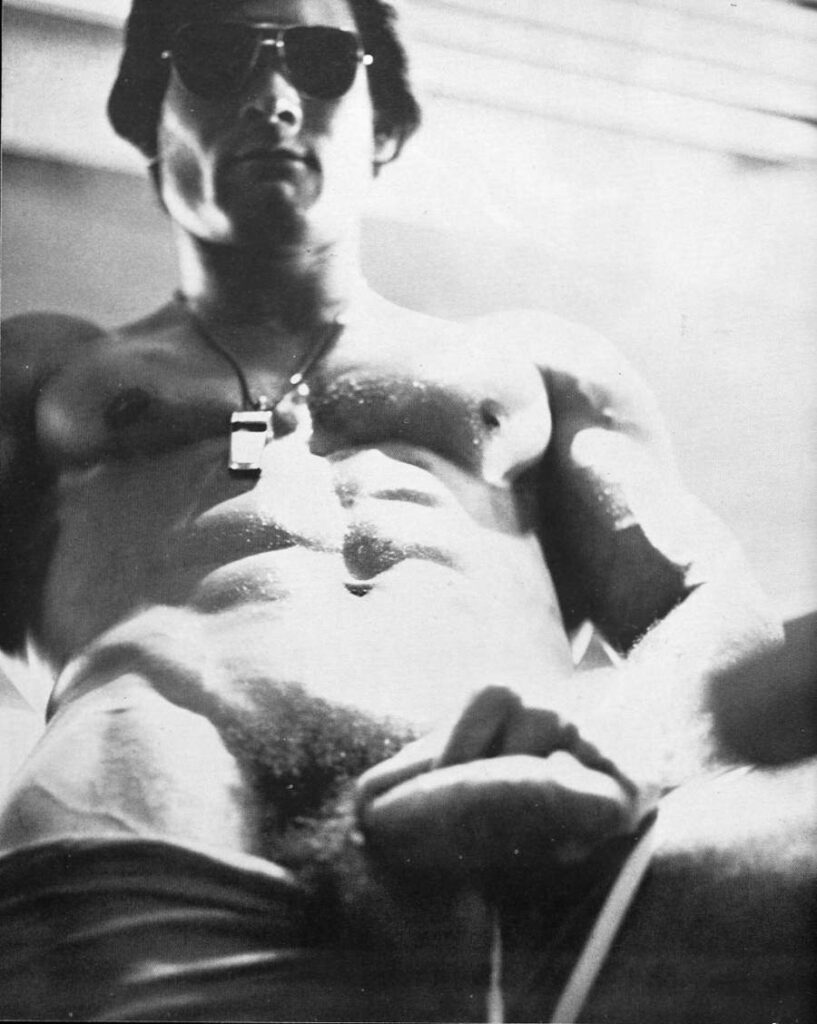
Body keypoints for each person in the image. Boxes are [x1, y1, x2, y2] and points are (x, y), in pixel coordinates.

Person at [0, 0, 813, 1020]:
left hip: (516, 838)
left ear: (381, 126)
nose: (275, 95)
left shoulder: (529, 365)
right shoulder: (47, 370)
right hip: (148, 834)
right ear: (144, 120)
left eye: (320, 59)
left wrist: (620, 743)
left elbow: (711, 602)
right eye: (215, 55)